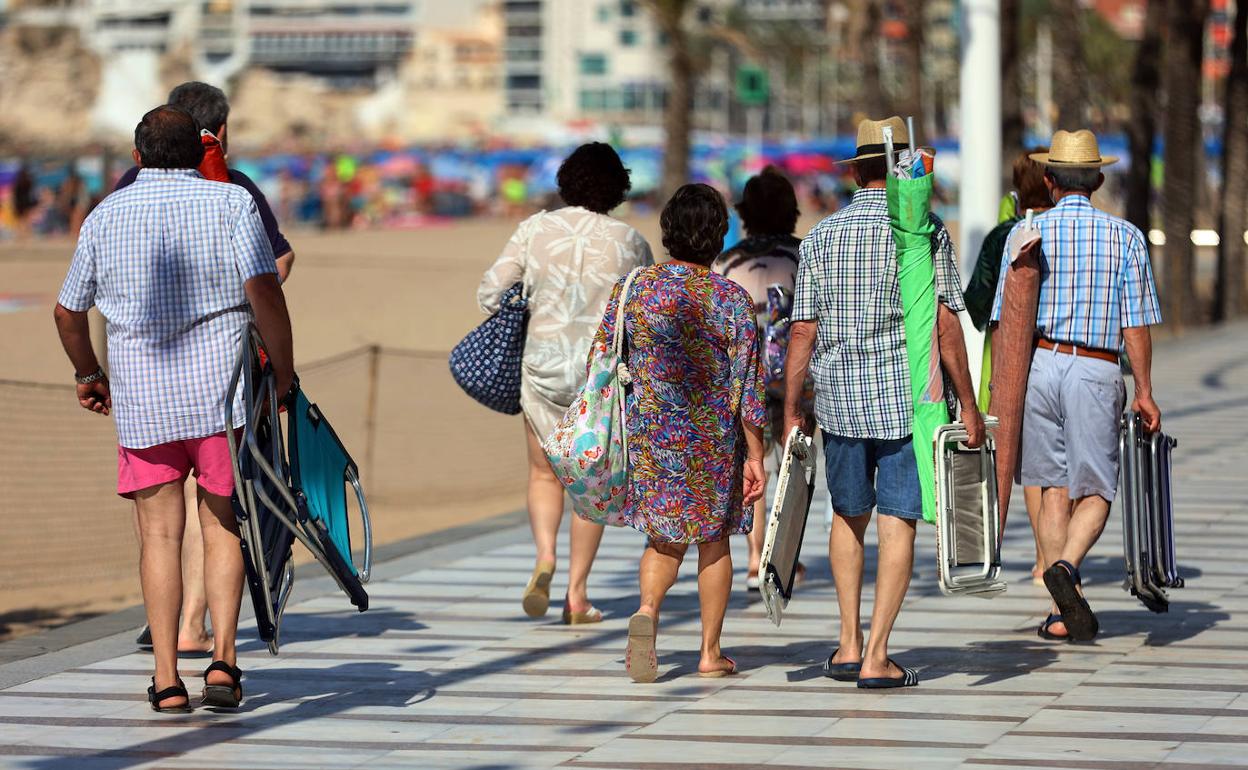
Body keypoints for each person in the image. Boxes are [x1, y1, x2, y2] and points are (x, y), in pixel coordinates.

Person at [53, 105, 294, 712]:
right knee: (222, 527)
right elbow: (265, 292)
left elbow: (67, 311)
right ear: (201, 152)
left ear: (137, 157)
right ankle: (224, 666)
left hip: (143, 403)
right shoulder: (233, 203)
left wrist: (88, 373)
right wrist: (283, 374)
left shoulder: (106, 214)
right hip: (221, 400)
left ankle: (166, 680)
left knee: (158, 536)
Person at [784, 116, 984, 689]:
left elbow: (803, 330)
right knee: (898, 521)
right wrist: (966, 402)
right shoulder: (924, 232)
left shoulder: (822, 235)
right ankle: (877, 654)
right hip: (907, 403)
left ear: (859, 170)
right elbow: (946, 328)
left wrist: (793, 405)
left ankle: (847, 643)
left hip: (842, 404)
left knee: (847, 517)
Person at [989, 129, 1162, 642]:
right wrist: (1145, 390)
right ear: (1100, 179)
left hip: (1040, 365)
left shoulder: (1023, 235)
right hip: (1094, 366)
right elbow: (1136, 325)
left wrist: (1004, 391)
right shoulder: (1125, 236)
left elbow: (1005, 319)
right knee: (1099, 488)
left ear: (1048, 179)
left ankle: (1062, 608)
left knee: (1051, 488)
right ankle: (1065, 566)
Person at [478, 142, 653, 624]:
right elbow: (642, 306)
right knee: (588, 482)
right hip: (597, 378)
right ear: (618, 185)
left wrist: (532, 299)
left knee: (541, 472)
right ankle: (577, 595)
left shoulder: (534, 229)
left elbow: (489, 291)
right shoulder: (630, 241)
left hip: (541, 368)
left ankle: (544, 557)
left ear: (566, 181)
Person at [604, 183, 767, 683]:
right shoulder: (730, 300)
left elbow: (604, 359)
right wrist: (755, 455)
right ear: (718, 236)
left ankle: (648, 611)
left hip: (652, 438)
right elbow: (748, 389)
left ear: (668, 230)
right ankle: (709, 652)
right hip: (712, 442)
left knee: (662, 539)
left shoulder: (634, 289)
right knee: (714, 541)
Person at [711, 166, 813, 591]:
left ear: (745, 212)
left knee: (753, 466)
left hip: (744, 376)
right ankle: (784, 551)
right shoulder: (805, 253)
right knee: (795, 464)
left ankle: (754, 557)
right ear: (791, 211)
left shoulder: (728, 260)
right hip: (797, 377)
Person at [965, 148, 1051, 586]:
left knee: (1012, 460)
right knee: (1048, 463)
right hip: (1057, 355)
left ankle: (1010, 553)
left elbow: (975, 302)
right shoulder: (1058, 230)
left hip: (1001, 364)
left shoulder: (1004, 234)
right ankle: (1046, 557)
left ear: (1018, 190)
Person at [114, 82, 296, 282]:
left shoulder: (132, 180)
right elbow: (281, 258)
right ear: (221, 132)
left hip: (141, 306)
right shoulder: (236, 187)